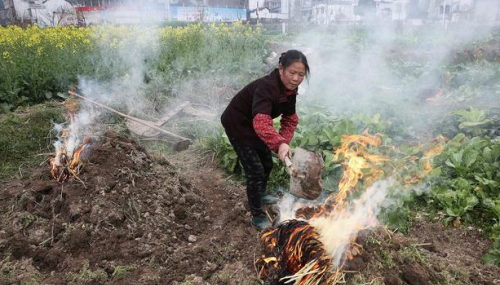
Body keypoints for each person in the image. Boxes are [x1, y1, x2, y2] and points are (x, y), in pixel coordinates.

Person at [221, 50, 310, 230]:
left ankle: (260, 193)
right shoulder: (267, 87)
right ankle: (257, 214)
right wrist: (279, 143)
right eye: (292, 73)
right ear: (280, 68)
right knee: (255, 170)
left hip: (256, 126)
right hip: (237, 123)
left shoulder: (290, 91)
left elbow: (290, 119)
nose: (296, 79)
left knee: (267, 165)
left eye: (301, 74)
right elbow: (261, 122)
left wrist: (283, 143)